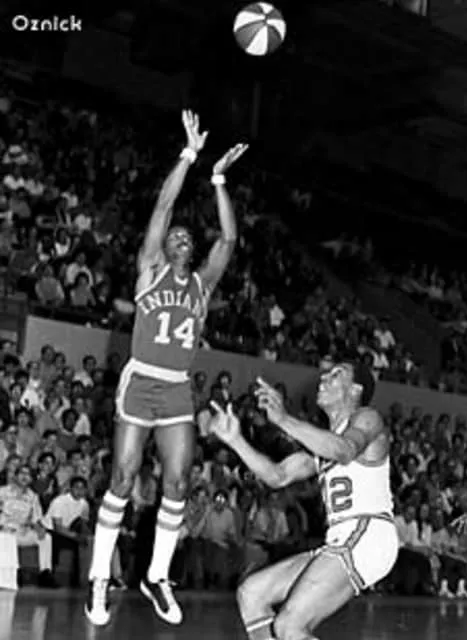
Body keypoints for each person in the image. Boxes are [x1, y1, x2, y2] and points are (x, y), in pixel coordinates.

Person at [85, 110, 248, 627]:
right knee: (123, 477)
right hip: (140, 381)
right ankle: (99, 577)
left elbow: (229, 240)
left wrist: (218, 180)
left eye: (185, 238)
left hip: (177, 388)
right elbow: (163, 204)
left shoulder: (202, 285)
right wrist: (189, 156)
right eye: (174, 236)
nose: (180, 239)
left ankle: (156, 576)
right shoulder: (149, 270)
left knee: (177, 483)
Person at [208, 362, 399, 640]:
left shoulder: (367, 418)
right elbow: (277, 476)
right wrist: (236, 440)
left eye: (336, 374)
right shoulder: (322, 444)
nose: (324, 377)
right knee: (252, 593)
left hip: (368, 534)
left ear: (355, 389)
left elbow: (345, 451)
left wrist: (283, 419)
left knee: (289, 626)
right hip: (342, 540)